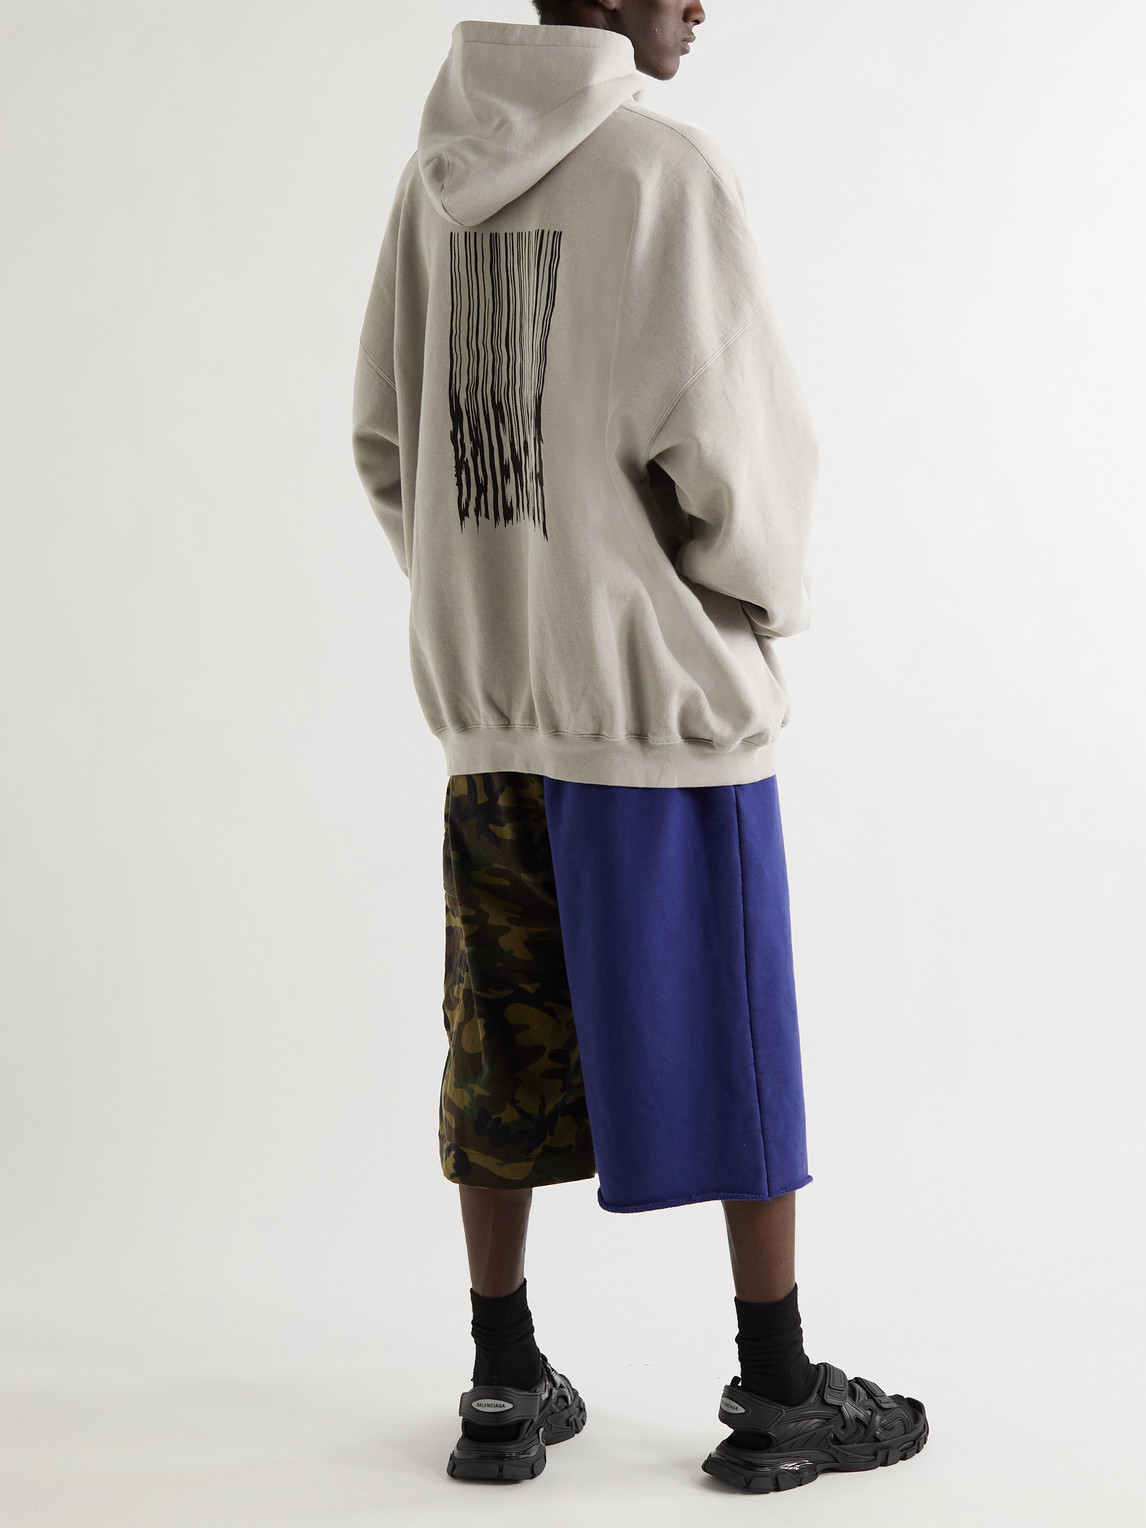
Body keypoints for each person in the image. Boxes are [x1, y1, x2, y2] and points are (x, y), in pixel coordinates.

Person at [352, 0, 927, 1495]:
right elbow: (739, 458)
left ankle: (500, 1380)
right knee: (738, 1043)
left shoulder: (432, 185)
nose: (705, 4)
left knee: (496, 1047)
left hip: (492, 709)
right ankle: (779, 1389)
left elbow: (389, 443)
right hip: (653, 714)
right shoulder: (665, 175)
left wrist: (492, 597)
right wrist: (753, 608)